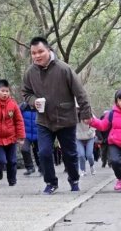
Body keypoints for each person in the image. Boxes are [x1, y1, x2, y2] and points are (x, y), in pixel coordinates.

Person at [22, 36, 92, 195]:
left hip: (66, 118)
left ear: (48, 50)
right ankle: (51, 182)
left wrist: (86, 113)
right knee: (44, 152)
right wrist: (34, 101)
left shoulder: (64, 69)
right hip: (44, 120)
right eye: (33, 53)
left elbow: (80, 93)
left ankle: (74, 179)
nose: (37, 56)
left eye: (40, 52)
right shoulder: (30, 73)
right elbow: (26, 93)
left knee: (69, 153)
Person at [20, 101, 41, 176]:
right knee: (24, 149)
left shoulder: (41, 106)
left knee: (39, 152)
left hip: (38, 133)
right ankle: (30, 167)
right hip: (26, 134)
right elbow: (17, 118)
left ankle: (41, 168)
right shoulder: (23, 107)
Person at [76, 110, 97, 176]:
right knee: (81, 155)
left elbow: (95, 124)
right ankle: (83, 170)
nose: (76, 110)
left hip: (89, 136)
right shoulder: (71, 116)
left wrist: (88, 133)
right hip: (78, 137)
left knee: (89, 154)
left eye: (77, 108)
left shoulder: (89, 114)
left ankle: (92, 166)